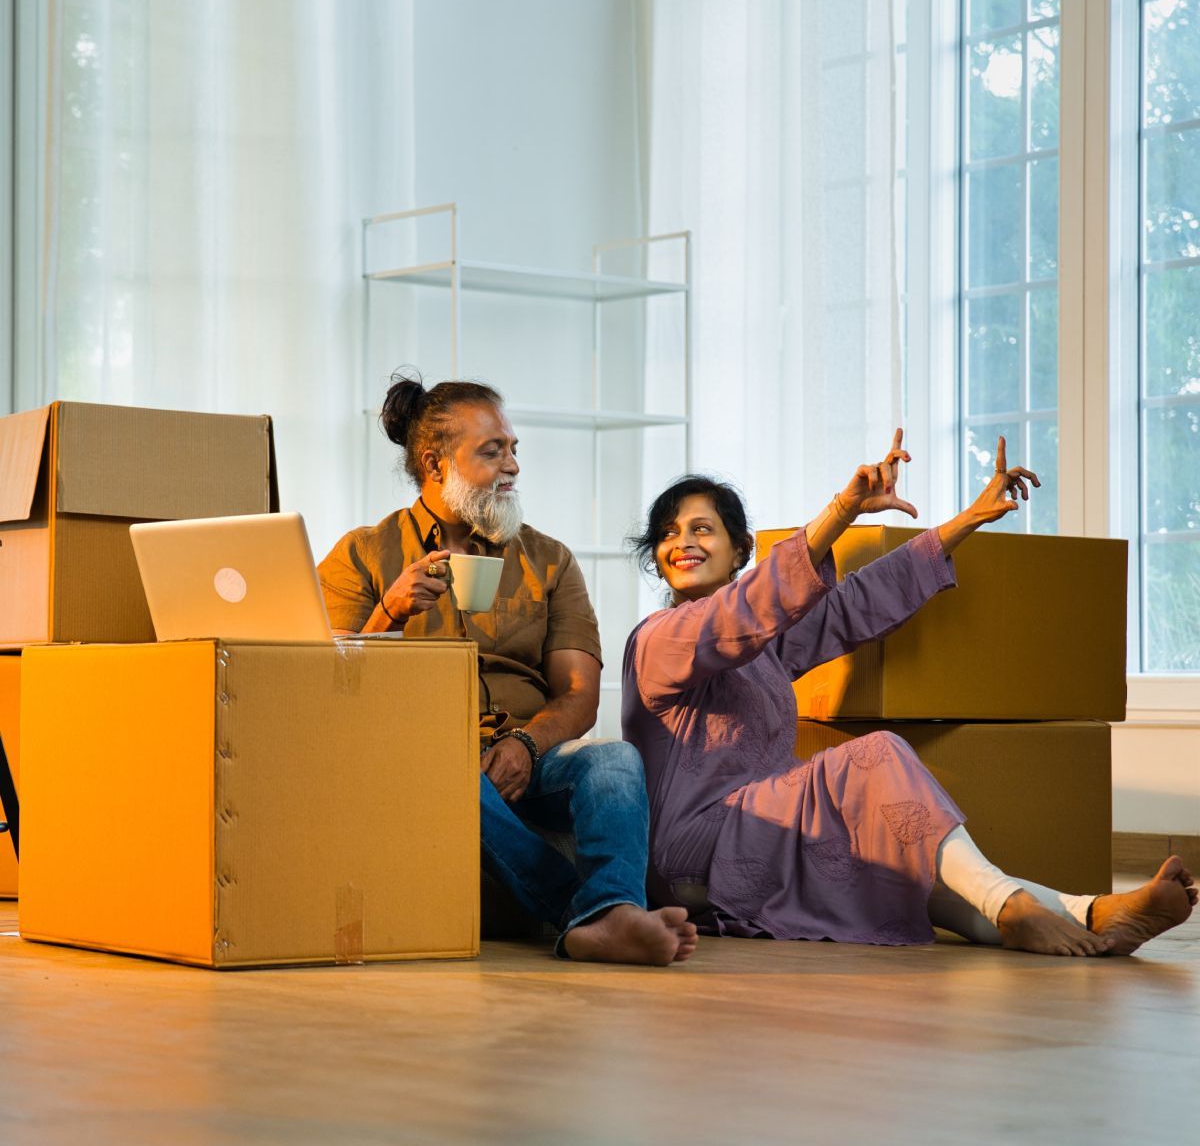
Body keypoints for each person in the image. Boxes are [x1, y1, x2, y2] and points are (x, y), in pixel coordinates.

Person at [622, 431, 1197, 955]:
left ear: (739, 549)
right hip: (693, 853)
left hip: (760, 835)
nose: (683, 543)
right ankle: (1011, 903)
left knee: (897, 861)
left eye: (702, 529)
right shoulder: (658, 640)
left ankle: (1093, 913)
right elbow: (741, 612)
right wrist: (843, 509)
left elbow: (853, 605)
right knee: (878, 755)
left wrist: (968, 518)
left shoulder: (766, 649)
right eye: (668, 534)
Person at [318, 373, 697, 966]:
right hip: (419, 756)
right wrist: (387, 615)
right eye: (493, 451)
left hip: (532, 752)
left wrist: (525, 741)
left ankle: (607, 915)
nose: (513, 466)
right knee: (444, 774)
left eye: (514, 449)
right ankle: (597, 914)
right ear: (434, 462)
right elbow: (321, 689)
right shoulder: (362, 555)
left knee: (615, 758)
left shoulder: (548, 559)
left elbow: (578, 693)